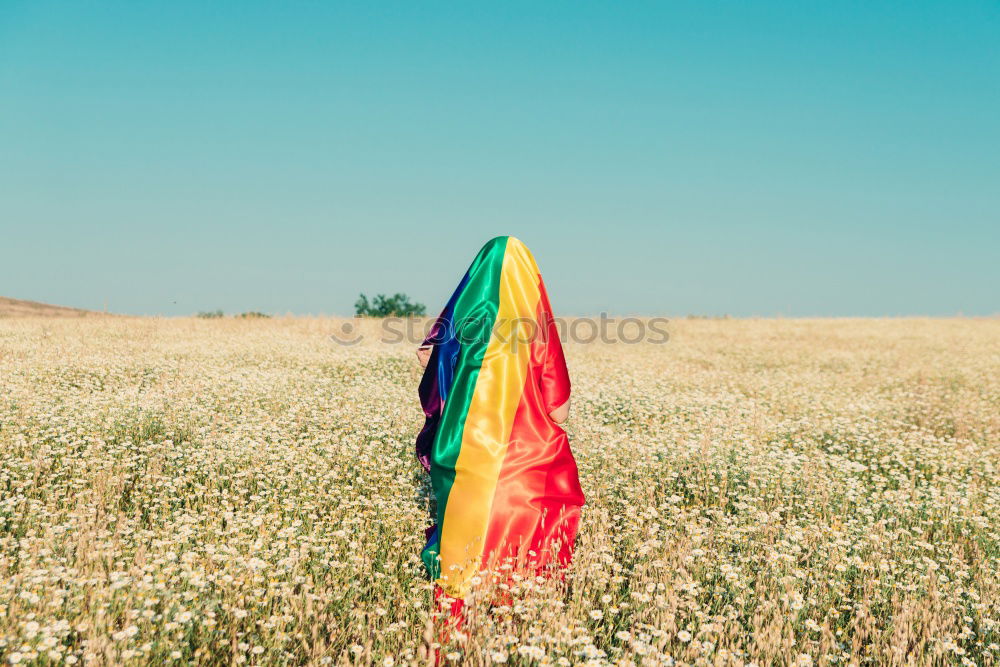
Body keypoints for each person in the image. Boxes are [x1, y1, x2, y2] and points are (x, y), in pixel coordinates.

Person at [413, 236, 585, 623]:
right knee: (547, 504)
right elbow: (559, 413)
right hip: (524, 471)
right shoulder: (535, 327)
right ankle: (517, 620)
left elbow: (431, 386)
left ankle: (453, 632)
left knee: (460, 571)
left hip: (461, 463)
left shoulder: (458, 326)